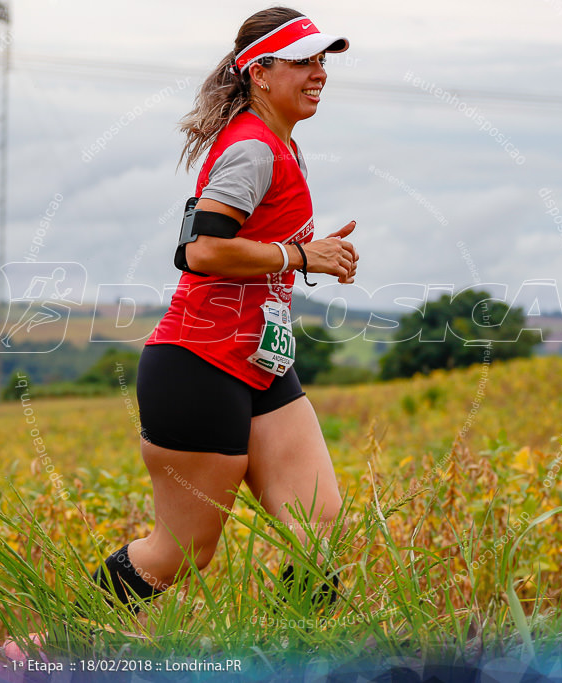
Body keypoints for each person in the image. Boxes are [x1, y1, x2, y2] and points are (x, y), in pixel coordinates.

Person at [89, 6, 359, 616]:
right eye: (303, 61)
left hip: (261, 364)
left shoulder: (279, 147)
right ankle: (45, 646)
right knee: (181, 553)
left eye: (322, 61)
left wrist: (311, 257)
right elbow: (201, 250)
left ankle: (298, 657)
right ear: (260, 73)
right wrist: (299, 255)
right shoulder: (252, 149)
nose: (318, 73)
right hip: (200, 365)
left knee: (319, 525)